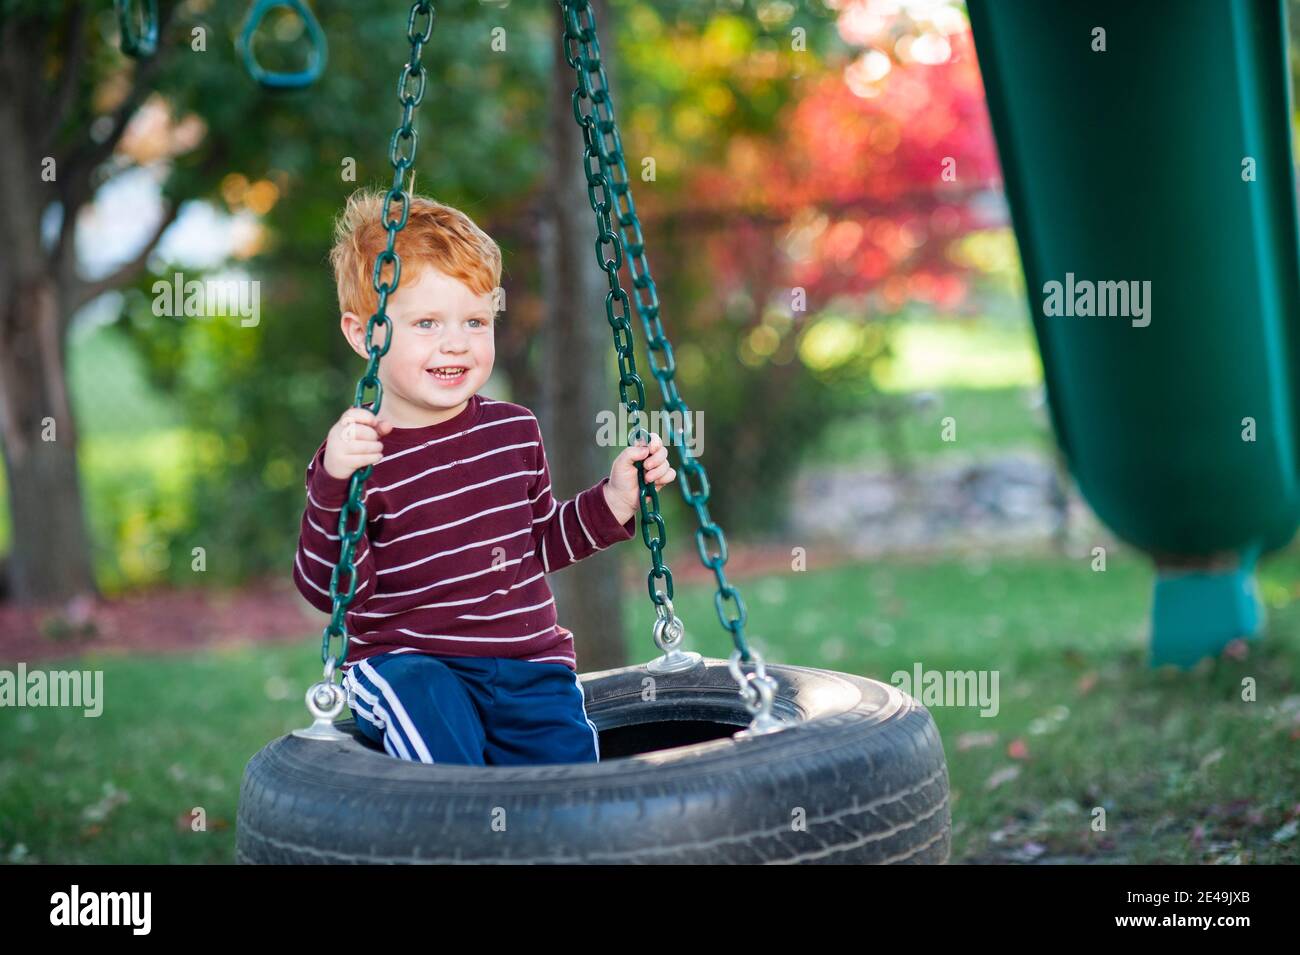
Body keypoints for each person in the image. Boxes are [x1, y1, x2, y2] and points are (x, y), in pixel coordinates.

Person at [292, 188, 676, 765]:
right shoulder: (357, 456)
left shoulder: (514, 431)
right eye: (426, 322)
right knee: (434, 718)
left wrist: (616, 499)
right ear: (365, 334)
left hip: (528, 668)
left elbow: (539, 542)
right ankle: (456, 836)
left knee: (574, 792)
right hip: (408, 667)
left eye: (475, 320)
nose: (456, 343)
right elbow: (331, 590)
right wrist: (332, 487)